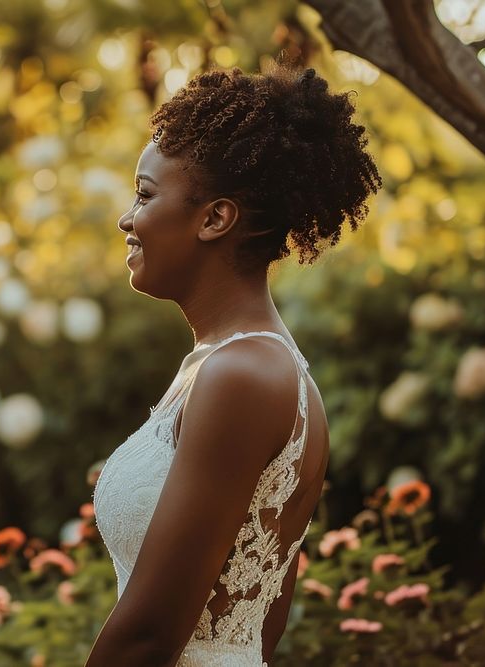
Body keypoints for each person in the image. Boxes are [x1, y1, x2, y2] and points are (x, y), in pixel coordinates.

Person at [88, 67, 381, 666]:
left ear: (215, 219)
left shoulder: (243, 376)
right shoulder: (224, 365)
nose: (127, 218)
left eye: (145, 195)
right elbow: (258, 621)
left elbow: (148, 639)